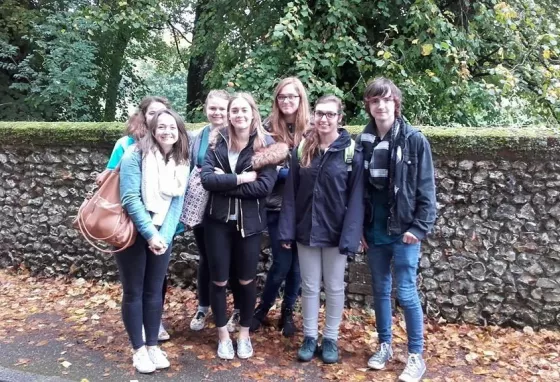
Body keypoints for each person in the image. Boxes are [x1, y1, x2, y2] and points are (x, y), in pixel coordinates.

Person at [358, 77, 436, 382]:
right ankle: (385, 345)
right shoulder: (363, 140)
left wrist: (419, 227)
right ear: (369, 105)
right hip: (374, 229)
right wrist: (359, 228)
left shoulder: (415, 140)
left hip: (404, 230)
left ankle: (415, 355)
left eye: (386, 100)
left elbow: (426, 190)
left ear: (396, 103)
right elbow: (359, 190)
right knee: (379, 290)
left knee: (405, 291)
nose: (381, 105)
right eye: (375, 101)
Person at [200, 93, 288, 360]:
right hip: (216, 223)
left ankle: (244, 335)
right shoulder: (217, 142)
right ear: (228, 115)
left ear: (253, 113)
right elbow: (206, 180)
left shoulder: (267, 145)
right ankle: (223, 335)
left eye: (243, 110)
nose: (238, 115)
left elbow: (262, 188)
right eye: (233, 110)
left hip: (249, 225)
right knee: (218, 280)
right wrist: (239, 179)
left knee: (247, 281)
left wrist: (224, 183)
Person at [278, 95, 364, 364]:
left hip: (336, 232)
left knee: (336, 287)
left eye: (330, 114)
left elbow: (357, 197)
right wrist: (286, 231)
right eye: (319, 113)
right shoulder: (303, 149)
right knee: (310, 286)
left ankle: (330, 339)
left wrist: (350, 235)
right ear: (313, 116)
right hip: (306, 229)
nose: (324, 119)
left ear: (340, 118)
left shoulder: (351, 152)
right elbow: (290, 193)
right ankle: (310, 336)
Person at [118, 109, 190, 373]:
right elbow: (130, 199)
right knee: (134, 291)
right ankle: (138, 349)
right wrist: (151, 234)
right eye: (162, 127)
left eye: (173, 127)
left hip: (163, 233)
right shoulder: (134, 154)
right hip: (135, 232)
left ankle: (152, 345)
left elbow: (177, 201)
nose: (167, 131)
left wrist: (165, 237)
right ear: (152, 129)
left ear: (179, 131)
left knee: (154, 291)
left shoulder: (182, 160)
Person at [100, 96, 173, 342]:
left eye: (163, 114)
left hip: (160, 225)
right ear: (143, 116)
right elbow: (113, 180)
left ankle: (152, 326)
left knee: (156, 283)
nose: (158, 119)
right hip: (130, 225)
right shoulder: (129, 147)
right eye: (153, 113)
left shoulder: (174, 153)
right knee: (135, 286)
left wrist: (163, 233)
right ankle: (138, 340)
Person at [250, 77, 309, 336]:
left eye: (292, 97)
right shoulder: (266, 129)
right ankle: (262, 310)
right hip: (276, 206)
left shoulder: (311, 129)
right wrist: (286, 173)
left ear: (300, 99)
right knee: (283, 262)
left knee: (297, 266)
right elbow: (258, 165)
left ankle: (287, 313)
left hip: (304, 207)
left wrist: (290, 173)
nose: (287, 101)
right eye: (282, 97)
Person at [188, 90, 242, 332]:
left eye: (222, 108)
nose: (217, 113)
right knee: (206, 258)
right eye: (213, 108)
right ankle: (203, 306)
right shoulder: (197, 137)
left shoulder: (238, 134)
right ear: (206, 109)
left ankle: (238, 309)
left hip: (230, 205)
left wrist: (224, 179)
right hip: (201, 204)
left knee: (233, 260)